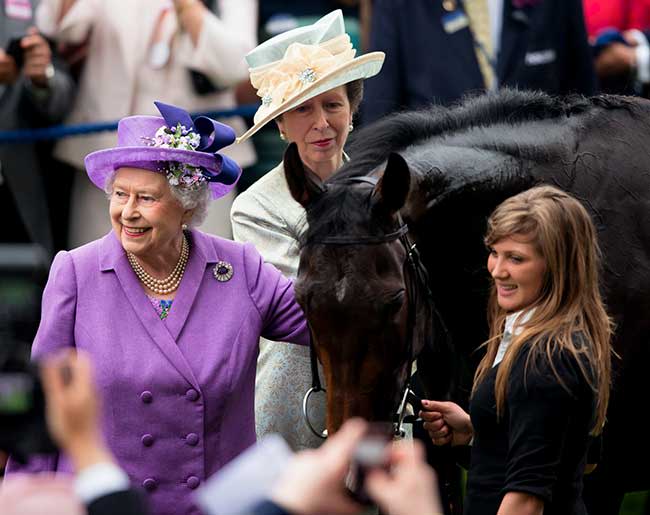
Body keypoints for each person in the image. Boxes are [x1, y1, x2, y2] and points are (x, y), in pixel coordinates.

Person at [5, 102, 309, 515]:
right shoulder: (76, 273)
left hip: (215, 507)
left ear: (187, 203)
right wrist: (23, 501)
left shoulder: (241, 270)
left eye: (146, 198)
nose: (127, 212)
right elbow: (44, 408)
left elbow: (335, 323)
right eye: (119, 194)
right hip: (107, 505)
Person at [230, 9, 384, 451]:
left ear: (352, 111)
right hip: (295, 401)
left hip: (376, 392)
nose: (321, 123)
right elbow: (307, 303)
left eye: (333, 104)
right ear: (280, 125)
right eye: (302, 109)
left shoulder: (381, 190)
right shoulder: (255, 207)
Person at [420, 185, 612, 514]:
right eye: (494, 252)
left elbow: (525, 501)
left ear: (557, 266)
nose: (497, 270)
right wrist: (476, 431)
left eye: (516, 258)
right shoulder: (536, 336)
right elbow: (545, 448)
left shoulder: (547, 360)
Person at [34, 0, 257, 247]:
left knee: (198, 272)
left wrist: (188, 7)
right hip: (108, 160)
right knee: (99, 273)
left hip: (196, 166)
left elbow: (238, 66)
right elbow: (58, 26)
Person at [362, 0, 596, 124]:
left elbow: (584, 100)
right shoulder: (400, 5)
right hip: (437, 187)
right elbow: (380, 111)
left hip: (537, 186)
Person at [1, 0, 76, 256]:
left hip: (17, 189)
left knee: (21, 287)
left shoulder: (36, 7)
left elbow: (63, 95)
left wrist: (42, 78)